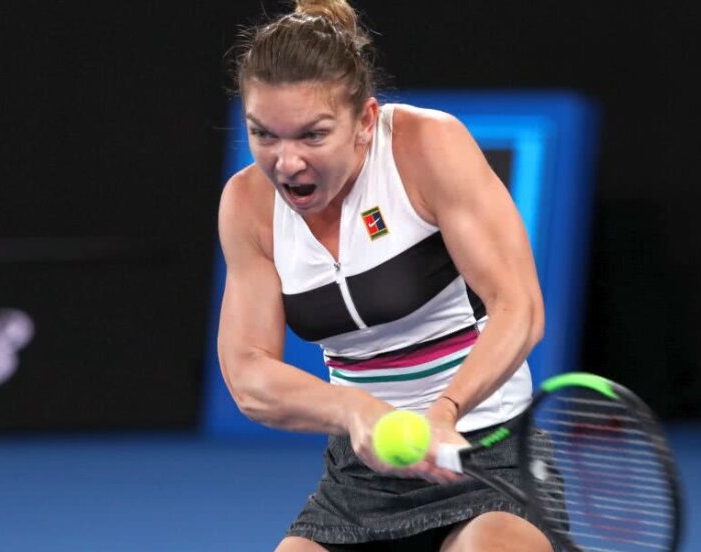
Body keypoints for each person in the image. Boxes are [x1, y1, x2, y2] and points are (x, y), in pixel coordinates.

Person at [217, 1, 557, 550]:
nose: (286, 163)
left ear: (365, 121)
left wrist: (447, 410)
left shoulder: (427, 147)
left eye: (312, 135)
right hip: (362, 477)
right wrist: (357, 411)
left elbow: (520, 307)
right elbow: (248, 375)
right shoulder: (246, 205)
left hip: (489, 452)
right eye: (264, 135)